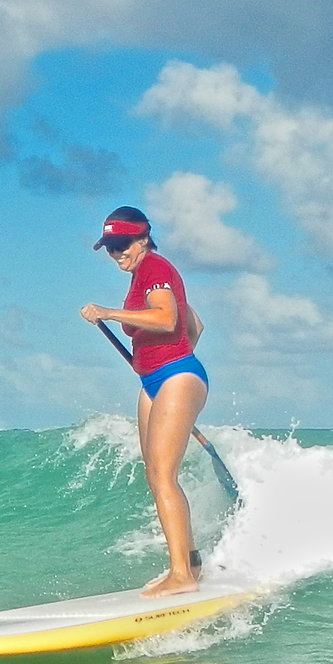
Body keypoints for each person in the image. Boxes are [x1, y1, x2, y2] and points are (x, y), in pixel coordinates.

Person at [79, 206, 209, 597]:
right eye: (110, 248)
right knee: (155, 476)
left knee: (164, 476)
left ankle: (181, 575)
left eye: (122, 245)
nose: (117, 253)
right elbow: (194, 325)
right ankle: (191, 563)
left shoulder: (154, 268)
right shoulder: (143, 276)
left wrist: (108, 313)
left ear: (142, 238)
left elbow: (168, 319)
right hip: (154, 381)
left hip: (175, 377)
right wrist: (160, 359)